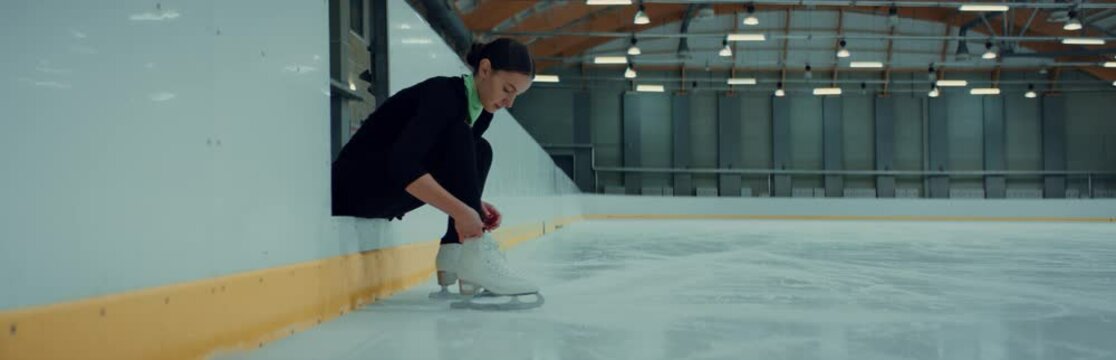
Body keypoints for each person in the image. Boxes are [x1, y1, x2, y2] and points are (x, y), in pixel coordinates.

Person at [331, 38, 540, 307]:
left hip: (386, 194)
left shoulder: (482, 112)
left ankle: (454, 252)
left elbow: (449, 165)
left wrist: (473, 203)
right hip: (354, 190)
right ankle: (474, 249)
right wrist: (464, 212)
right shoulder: (443, 94)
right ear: (485, 69)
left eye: (516, 96)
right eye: (507, 89)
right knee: (463, 136)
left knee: (481, 149)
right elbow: (402, 163)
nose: (509, 103)